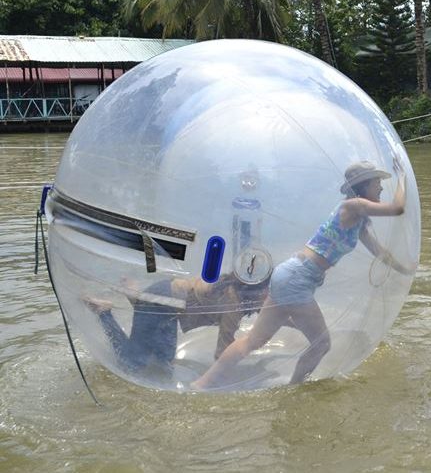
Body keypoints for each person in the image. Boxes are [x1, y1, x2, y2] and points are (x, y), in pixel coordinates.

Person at [192, 159, 414, 389]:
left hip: (290, 276)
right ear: (364, 185)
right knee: (322, 344)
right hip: (297, 279)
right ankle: (294, 391)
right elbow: (398, 208)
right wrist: (403, 178)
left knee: (253, 341)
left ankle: (202, 383)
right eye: (377, 183)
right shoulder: (353, 206)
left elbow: (380, 252)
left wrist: (406, 269)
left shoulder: (358, 219)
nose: (380, 188)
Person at [82, 273, 270, 375]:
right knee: (131, 363)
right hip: (163, 304)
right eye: (268, 295)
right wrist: (239, 373)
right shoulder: (233, 306)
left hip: (166, 300)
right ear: (257, 292)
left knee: (162, 360)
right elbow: (222, 352)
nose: (270, 301)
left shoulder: (232, 286)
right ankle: (104, 313)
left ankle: (135, 294)